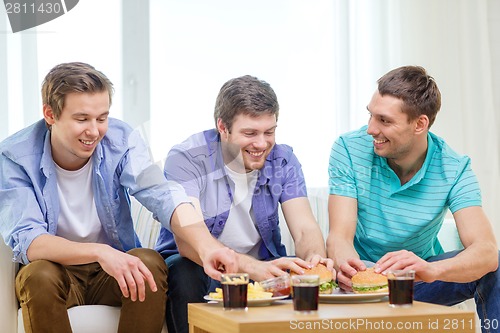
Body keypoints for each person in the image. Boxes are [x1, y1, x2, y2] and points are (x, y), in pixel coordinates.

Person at [0, 62, 237, 333]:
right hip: (57, 271)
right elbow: (30, 241)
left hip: (113, 274)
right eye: (82, 119)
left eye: (102, 118)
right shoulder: (14, 157)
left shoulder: (121, 139)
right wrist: (100, 252)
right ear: (50, 114)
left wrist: (207, 246)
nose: (94, 131)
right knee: (37, 275)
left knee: (149, 262)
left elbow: (161, 193)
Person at [155, 75, 334, 333]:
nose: (262, 144)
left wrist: (315, 260)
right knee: (183, 273)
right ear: (223, 127)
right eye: (250, 133)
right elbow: (189, 243)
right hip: (200, 266)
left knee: (302, 272)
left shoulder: (283, 160)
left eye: (269, 132)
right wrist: (252, 268)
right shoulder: (188, 158)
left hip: (264, 264)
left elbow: (305, 228)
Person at [327, 65, 499, 332]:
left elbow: (486, 252)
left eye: (384, 121)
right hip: (359, 280)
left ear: (420, 124)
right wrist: (354, 273)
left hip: (418, 279)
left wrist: (432, 272)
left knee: (497, 268)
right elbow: (339, 236)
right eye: (371, 116)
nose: (371, 129)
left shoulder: (454, 167)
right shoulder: (348, 148)